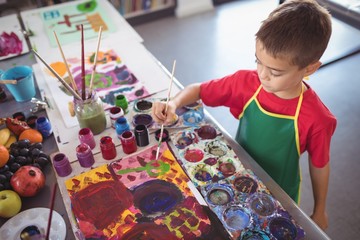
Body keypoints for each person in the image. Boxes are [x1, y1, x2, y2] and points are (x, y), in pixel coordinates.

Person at [152, 0, 336, 231]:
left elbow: (320, 164)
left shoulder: (318, 118)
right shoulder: (246, 83)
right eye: (258, 62)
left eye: (275, 71)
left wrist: (320, 209)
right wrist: (174, 102)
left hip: (280, 191)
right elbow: (199, 89)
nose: (263, 75)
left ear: (309, 68)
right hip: (236, 173)